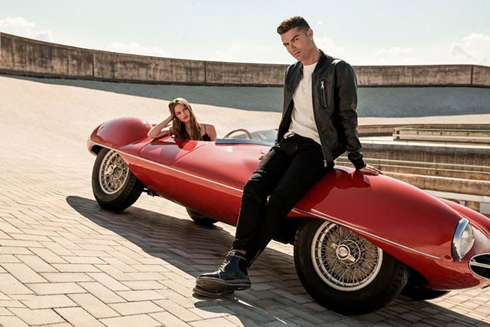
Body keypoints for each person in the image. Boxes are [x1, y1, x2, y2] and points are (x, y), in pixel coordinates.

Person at [193, 16, 381, 297]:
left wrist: (358, 162)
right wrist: (276, 147)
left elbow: (346, 117)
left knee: (280, 199)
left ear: (310, 34)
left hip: (316, 149)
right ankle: (236, 262)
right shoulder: (291, 73)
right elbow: (288, 114)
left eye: (295, 39)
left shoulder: (338, 69)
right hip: (287, 143)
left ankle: (236, 267)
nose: (291, 47)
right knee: (254, 187)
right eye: (285, 44)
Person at [147, 97, 217, 141]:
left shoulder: (209, 128)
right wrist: (170, 118)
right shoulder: (176, 129)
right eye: (178, 113)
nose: (183, 114)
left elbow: (215, 150)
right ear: (175, 116)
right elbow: (152, 134)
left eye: (185, 109)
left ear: (189, 109)